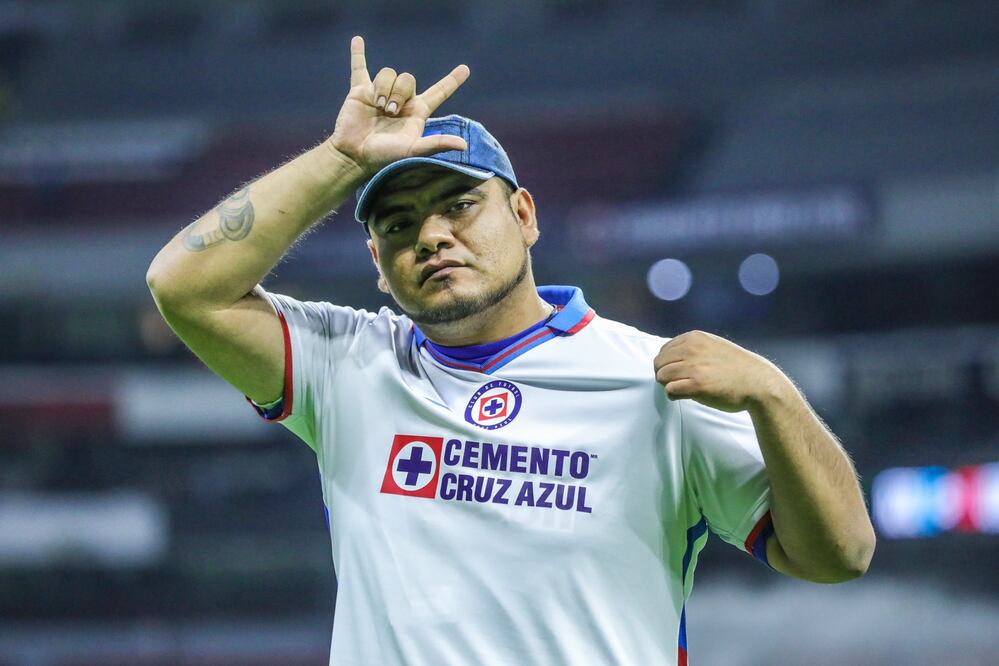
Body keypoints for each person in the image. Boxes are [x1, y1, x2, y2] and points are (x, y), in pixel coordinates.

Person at [146, 36, 875, 666]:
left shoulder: (655, 380)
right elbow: (184, 287)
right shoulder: (347, 366)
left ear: (523, 215)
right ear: (378, 262)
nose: (429, 236)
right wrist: (342, 158)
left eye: (460, 206)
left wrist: (776, 399)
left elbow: (840, 555)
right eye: (398, 225)